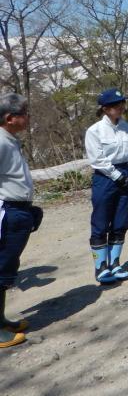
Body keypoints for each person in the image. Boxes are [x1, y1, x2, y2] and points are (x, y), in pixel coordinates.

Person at [85, 88, 128, 284]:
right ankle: (101, 266)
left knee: (121, 220)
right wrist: (117, 176)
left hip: (125, 173)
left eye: (122, 104)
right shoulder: (94, 131)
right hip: (105, 178)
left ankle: (115, 262)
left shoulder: (127, 128)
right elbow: (97, 159)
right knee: (101, 220)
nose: (121, 108)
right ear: (106, 108)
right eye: (117, 105)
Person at [0, 94, 43, 348]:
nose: (28, 117)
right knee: (1, 266)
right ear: (10, 118)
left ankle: (1, 319)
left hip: (18, 209)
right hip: (7, 211)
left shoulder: (10, 140)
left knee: (7, 266)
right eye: (24, 113)